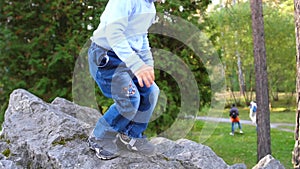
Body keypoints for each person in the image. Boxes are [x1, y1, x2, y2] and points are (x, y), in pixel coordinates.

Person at [87, 0, 162, 160]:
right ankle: (99, 137)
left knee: (152, 92)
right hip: (106, 56)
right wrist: (136, 64)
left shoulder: (150, 7)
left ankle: (130, 135)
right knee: (130, 99)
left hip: (127, 57)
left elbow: (141, 37)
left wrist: (147, 64)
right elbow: (113, 33)